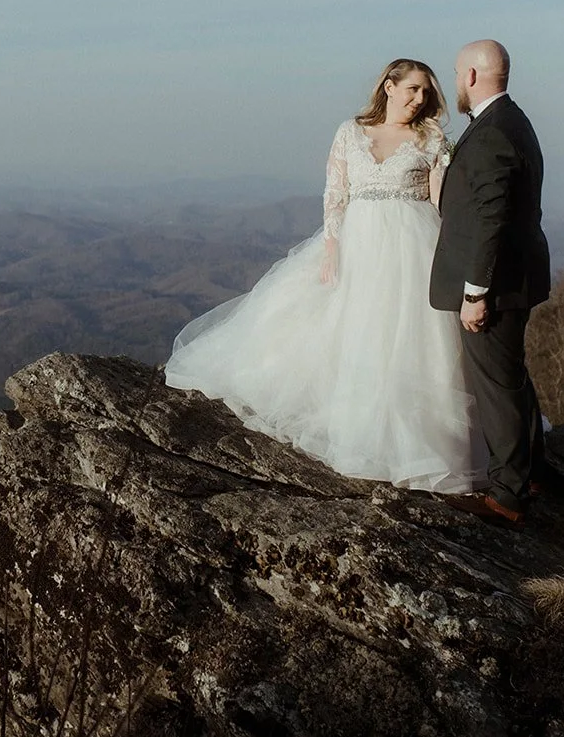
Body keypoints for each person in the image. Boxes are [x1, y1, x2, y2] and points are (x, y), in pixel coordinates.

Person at [164, 58, 487, 494]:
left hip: (413, 247)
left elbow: (439, 203)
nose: (419, 99)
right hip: (356, 244)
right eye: (412, 89)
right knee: (347, 331)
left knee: (409, 340)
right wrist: (332, 245)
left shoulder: (429, 138)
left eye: (426, 93)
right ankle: (357, 429)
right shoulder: (350, 132)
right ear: (388, 87)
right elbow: (335, 192)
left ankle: (415, 448)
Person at [430, 40, 551, 528]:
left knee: (496, 385)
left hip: (496, 284)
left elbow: (490, 217)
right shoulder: (508, 121)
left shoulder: (492, 133)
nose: (456, 81)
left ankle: (507, 495)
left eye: (458, 72)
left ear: (474, 76)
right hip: (515, 276)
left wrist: (475, 292)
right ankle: (531, 470)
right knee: (511, 375)